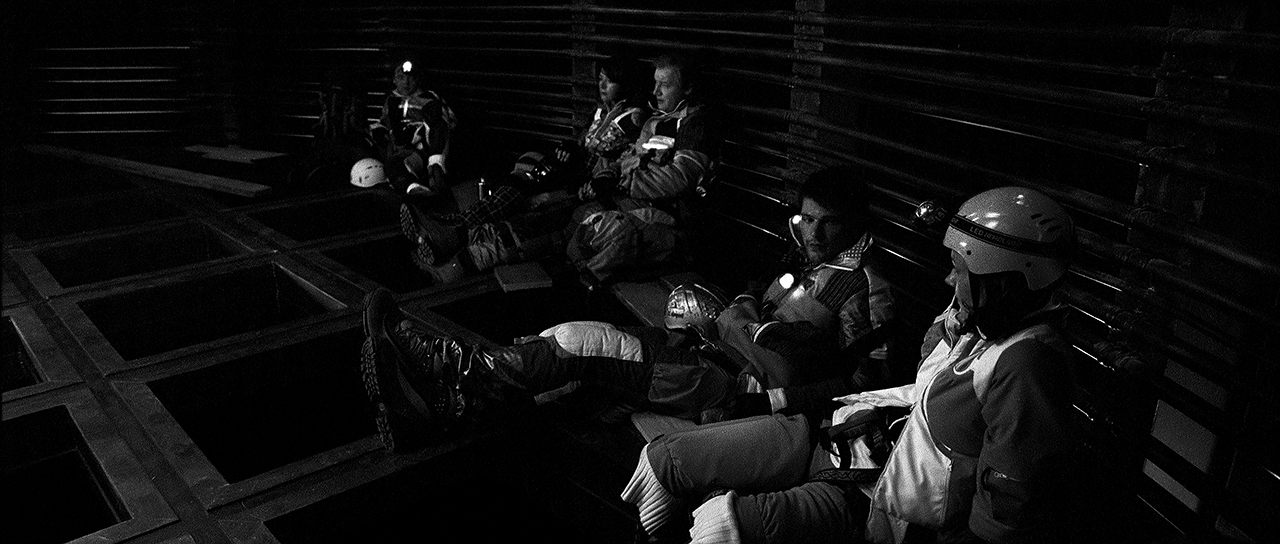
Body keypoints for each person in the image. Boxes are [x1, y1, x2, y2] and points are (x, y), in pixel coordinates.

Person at [620, 186, 1082, 544]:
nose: (948, 279)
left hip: (869, 495)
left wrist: (774, 394)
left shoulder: (1025, 363)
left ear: (1003, 280)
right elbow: (916, 393)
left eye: (959, 270)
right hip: (839, 429)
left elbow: (1004, 509)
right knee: (665, 458)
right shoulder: (975, 325)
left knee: (719, 528)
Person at [356, 165, 904, 454]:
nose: (812, 232)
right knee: (568, 348)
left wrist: (771, 397)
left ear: (855, 223)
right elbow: (758, 303)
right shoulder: (810, 258)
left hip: (731, 387)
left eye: (826, 222)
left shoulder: (867, 290)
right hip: (706, 352)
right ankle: (435, 404)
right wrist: (739, 309)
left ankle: (442, 365)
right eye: (806, 218)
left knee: (579, 344)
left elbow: (868, 386)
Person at [402, 52, 721, 286]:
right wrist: (608, 175)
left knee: (561, 221)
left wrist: (619, 183)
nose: (656, 92)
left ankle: (461, 258)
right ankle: (458, 241)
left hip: (658, 215)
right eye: (655, 84)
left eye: (665, 85)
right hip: (622, 197)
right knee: (542, 206)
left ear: (688, 88)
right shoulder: (656, 120)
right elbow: (628, 159)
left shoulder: (695, 124)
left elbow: (680, 178)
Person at [365, 52, 458, 198]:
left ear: (418, 79)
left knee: (435, 116)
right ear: (394, 80)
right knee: (394, 166)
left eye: (411, 78)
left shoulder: (429, 98)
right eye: (401, 78)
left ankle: (436, 169)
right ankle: (416, 191)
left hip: (425, 148)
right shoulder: (391, 101)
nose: (406, 83)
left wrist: (418, 131)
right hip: (402, 151)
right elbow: (383, 122)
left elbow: (447, 123)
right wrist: (379, 131)